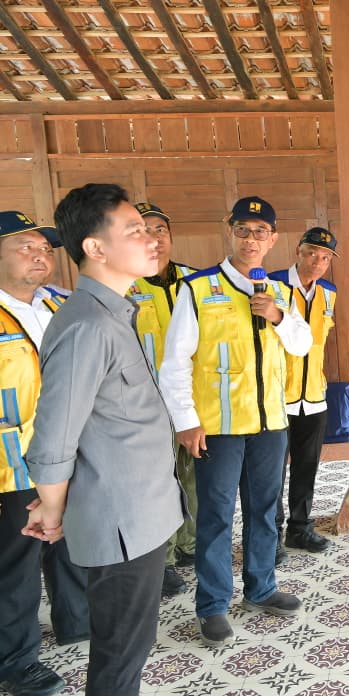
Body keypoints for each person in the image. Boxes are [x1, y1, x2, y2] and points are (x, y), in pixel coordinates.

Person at [22, 184, 184, 696]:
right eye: (134, 231)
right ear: (95, 247)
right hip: (121, 520)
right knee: (118, 659)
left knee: (129, 647)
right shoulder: (88, 324)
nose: (151, 239)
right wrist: (53, 509)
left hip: (139, 513)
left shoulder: (114, 312)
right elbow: (54, 436)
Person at [158, 196, 312, 648]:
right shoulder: (198, 288)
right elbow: (175, 362)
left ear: (273, 239)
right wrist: (186, 421)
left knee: (264, 510)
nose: (251, 239)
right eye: (243, 230)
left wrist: (277, 316)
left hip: (270, 423)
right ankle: (212, 605)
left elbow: (301, 344)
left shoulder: (279, 291)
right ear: (230, 233)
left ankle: (261, 588)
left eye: (260, 232)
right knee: (216, 515)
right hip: (219, 427)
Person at [0, 211, 89, 696]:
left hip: (66, 451)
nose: (40, 256)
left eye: (44, 249)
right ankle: (16, 662)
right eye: (25, 248)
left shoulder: (60, 304)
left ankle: (76, 620)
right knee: (17, 562)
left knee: (68, 541)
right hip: (12, 463)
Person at [128, 202, 198, 598]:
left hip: (191, 400)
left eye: (161, 230)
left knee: (193, 475)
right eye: (144, 230)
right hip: (146, 404)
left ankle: (191, 544)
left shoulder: (195, 281)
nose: (154, 238)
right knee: (159, 482)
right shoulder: (124, 285)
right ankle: (164, 559)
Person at [270, 227, 338, 562]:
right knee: (271, 473)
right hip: (276, 397)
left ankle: (299, 528)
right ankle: (269, 536)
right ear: (297, 251)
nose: (317, 262)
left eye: (325, 257)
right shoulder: (273, 285)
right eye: (311, 253)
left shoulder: (329, 293)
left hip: (313, 396)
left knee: (306, 467)